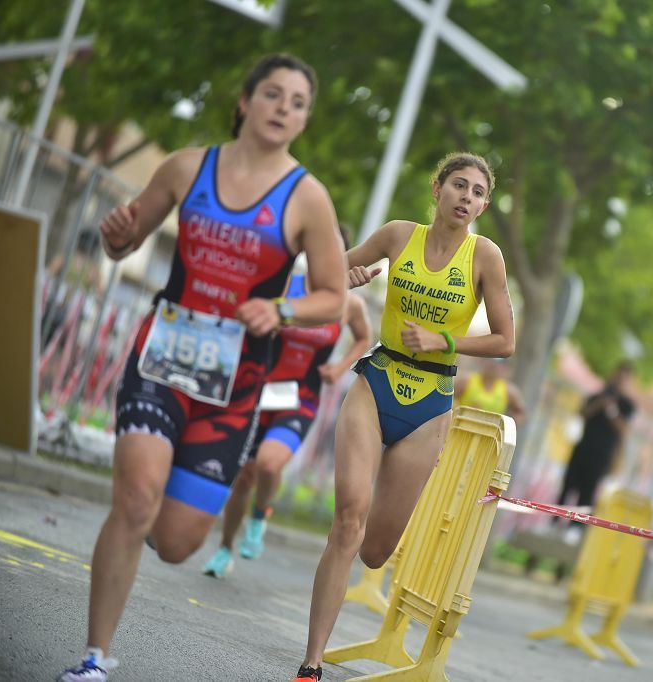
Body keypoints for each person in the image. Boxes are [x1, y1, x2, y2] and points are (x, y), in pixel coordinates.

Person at [58, 53, 348, 682]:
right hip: (163, 353)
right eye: (273, 94)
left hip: (236, 384)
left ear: (303, 121)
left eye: (297, 103)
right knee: (135, 499)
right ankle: (93, 657)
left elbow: (334, 294)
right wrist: (114, 237)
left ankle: (176, 511)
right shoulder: (187, 168)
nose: (283, 109)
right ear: (245, 101)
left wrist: (282, 307)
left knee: (175, 541)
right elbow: (127, 240)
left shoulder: (307, 198)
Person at [290, 152, 515, 682]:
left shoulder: (486, 257)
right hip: (377, 382)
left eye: (478, 192)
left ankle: (358, 575)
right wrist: (353, 276)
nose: (467, 197)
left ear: (483, 204)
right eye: (458, 185)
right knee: (348, 521)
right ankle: (311, 663)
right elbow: (329, 276)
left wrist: (446, 340)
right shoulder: (397, 235)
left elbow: (507, 341)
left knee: (373, 550)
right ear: (437, 189)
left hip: (430, 403)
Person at [203, 235, 373, 577]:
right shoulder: (284, 286)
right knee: (245, 475)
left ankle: (260, 514)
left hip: (301, 399)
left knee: (268, 464)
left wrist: (340, 367)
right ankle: (224, 549)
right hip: (258, 391)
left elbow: (364, 337)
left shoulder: (348, 304)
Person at [555, 362, 635, 535]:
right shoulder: (597, 396)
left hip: (601, 456)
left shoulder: (627, 405)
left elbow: (623, 429)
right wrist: (600, 404)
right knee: (568, 485)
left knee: (588, 491)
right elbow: (582, 413)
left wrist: (611, 410)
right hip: (583, 448)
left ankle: (576, 527)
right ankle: (554, 521)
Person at [454, 356, 525, 423]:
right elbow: (448, 400)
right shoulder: (466, 381)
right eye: (490, 360)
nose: (493, 365)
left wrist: (506, 425)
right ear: (482, 361)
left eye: (498, 363)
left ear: (505, 367)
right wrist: (463, 410)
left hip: (490, 434)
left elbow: (520, 413)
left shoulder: (509, 391)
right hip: (462, 429)